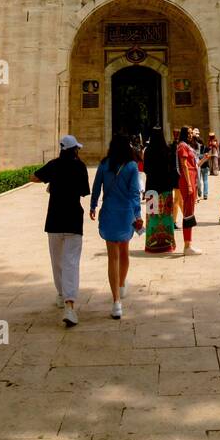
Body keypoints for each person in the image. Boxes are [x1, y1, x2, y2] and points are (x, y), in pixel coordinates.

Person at [34, 135, 91, 326]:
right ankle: (69, 304)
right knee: (71, 263)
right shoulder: (80, 166)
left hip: (54, 221)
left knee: (57, 261)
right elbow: (84, 191)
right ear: (74, 149)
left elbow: (33, 176)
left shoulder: (54, 165)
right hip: (74, 220)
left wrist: (51, 182)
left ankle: (61, 294)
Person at [91, 135, 143, 318]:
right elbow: (135, 193)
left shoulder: (105, 164)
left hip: (109, 212)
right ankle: (121, 286)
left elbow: (96, 187)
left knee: (112, 257)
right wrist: (138, 215)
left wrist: (92, 207)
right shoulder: (131, 166)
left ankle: (116, 303)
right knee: (124, 252)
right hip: (126, 214)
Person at [141, 125, 178, 254]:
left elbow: (145, 169)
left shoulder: (148, 151)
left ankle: (152, 244)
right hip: (166, 189)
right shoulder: (167, 150)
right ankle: (167, 244)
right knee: (167, 216)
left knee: (153, 217)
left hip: (152, 189)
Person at [176, 126, 202, 255]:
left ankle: (188, 244)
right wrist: (190, 185)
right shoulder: (182, 146)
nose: (191, 135)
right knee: (188, 212)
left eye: (192, 133)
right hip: (188, 180)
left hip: (191, 179)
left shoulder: (186, 146)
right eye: (190, 133)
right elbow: (184, 165)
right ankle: (187, 246)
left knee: (190, 211)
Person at [194, 127, 212, 200]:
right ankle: (205, 194)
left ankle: (199, 193)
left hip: (198, 165)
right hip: (205, 165)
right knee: (205, 180)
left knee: (198, 180)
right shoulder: (206, 147)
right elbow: (209, 156)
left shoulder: (195, 147)